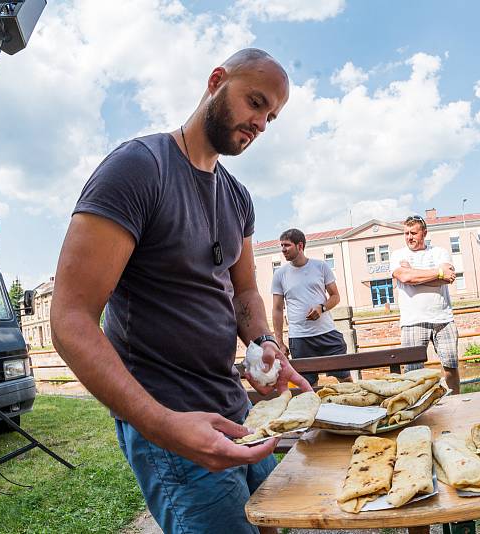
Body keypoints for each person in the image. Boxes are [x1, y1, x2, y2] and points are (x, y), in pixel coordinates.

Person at [50, 48, 311, 534]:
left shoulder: (237, 195)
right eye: (255, 103)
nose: (261, 124)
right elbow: (69, 320)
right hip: (170, 422)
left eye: (271, 116)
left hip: (237, 410)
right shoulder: (138, 168)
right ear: (216, 81)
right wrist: (160, 425)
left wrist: (266, 345)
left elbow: (247, 295)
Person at [272, 228, 353, 387]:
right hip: (300, 339)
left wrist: (321, 308)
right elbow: (277, 309)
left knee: (346, 382)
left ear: (300, 246)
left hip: (327, 334)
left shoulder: (321, 266)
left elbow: (335, 296)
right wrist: (279, 342)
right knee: (308, 387)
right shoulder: (280, 274)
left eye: (287, 245)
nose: (283, 250)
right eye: (281, 245)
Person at [390, 215, 461, 394]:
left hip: (443, 319)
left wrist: (414, 275)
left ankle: (457, 401)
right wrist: (437, 273)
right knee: (413, 372)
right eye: (406, 233)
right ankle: (417, 407)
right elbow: (405, 277)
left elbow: (448, 278)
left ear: (424, 233)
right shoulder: (398, 255)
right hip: (412, 321)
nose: (409, 237)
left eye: (413, 233)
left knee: (450, 367)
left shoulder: (439, 252)